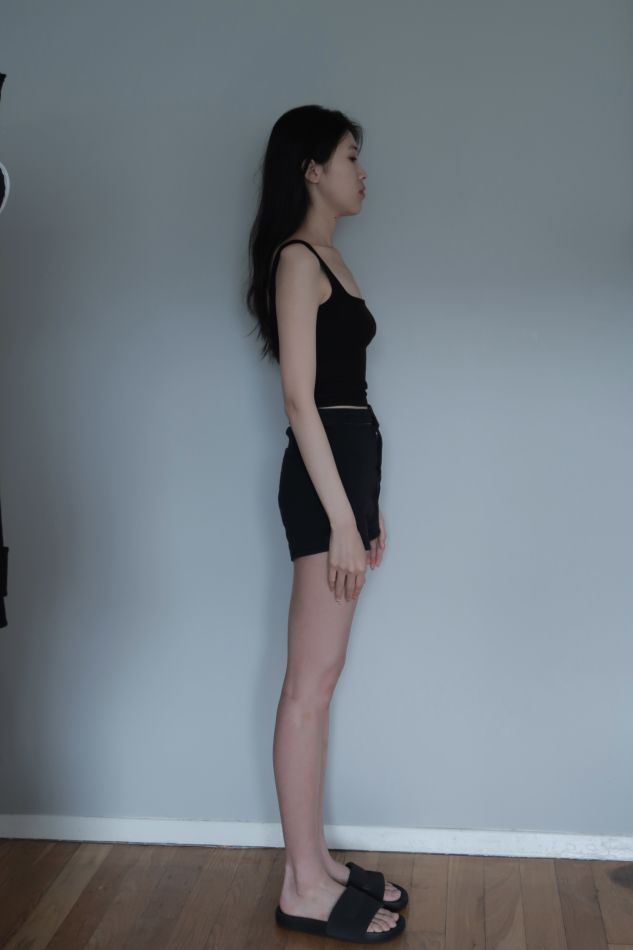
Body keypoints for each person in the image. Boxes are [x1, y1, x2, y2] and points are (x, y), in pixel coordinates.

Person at [246, 105, 407, 943]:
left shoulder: (333, 259)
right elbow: (299, 401)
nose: (361, 170)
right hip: (321, 489)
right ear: (311, 168)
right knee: (307, 686)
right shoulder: (297, 260)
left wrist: (366, 509)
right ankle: (301, 884)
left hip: (346, 481)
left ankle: (316, 864)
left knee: (322, 677)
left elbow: (348, 402)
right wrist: (342, 518)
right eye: (350, 156)